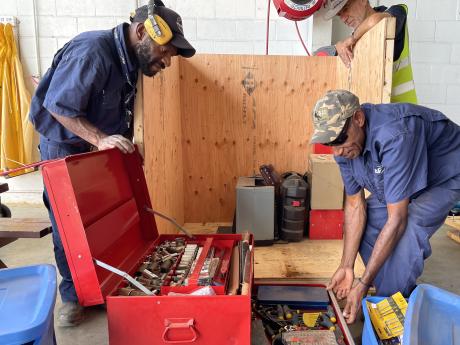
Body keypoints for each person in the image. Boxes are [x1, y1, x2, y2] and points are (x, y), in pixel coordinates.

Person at [29, 1, 195, 327]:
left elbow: (121, 109)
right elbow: (58, 107)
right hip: (65, 150)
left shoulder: (130, 62)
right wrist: (100, 139)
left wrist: (127, 146)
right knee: (71, 229)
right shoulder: (92, 52)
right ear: (141, 32)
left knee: (105, 223)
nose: (166, 61)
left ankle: (105, 288)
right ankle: (74, 298)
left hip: (97, 148)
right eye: (165, 52)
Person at [310, 90, 460, 324]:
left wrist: (363, 283)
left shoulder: (395, 134)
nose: (337, 151)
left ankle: (386, 312)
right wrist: (346, 266)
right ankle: (392, 288)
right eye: (329, 143)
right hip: (409, 174)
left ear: (358, 119)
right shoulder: (342, 148)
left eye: (339, 140)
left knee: (411, 227)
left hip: (445, 175)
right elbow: (354, 205)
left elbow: (398, 220)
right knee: (370, 222)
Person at [322, 0, 417, 103]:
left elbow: (375, 21)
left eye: (346, 8)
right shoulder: (356, 39)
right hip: (379, 113)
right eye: (339, 15)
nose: (343, 19)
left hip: (404, 112)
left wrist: (352, 38)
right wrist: (339, 47)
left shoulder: (397, 12)